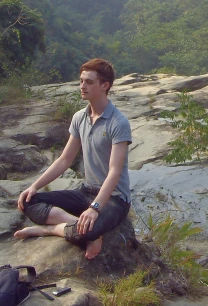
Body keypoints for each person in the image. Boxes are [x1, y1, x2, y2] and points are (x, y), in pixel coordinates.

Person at [14, 58, 132, 260]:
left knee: (89, 231)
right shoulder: (80, 117)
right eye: (81, 81)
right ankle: (73, 223)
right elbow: (64, 160)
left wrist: (95, 209)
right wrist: (34, 186)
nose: (82, 86)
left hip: (114, 199)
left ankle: (50, 230)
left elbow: (115, 172)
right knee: (28, 202)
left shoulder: (118, 122)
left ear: (105, 86)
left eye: (89, 82)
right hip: (86, 191)